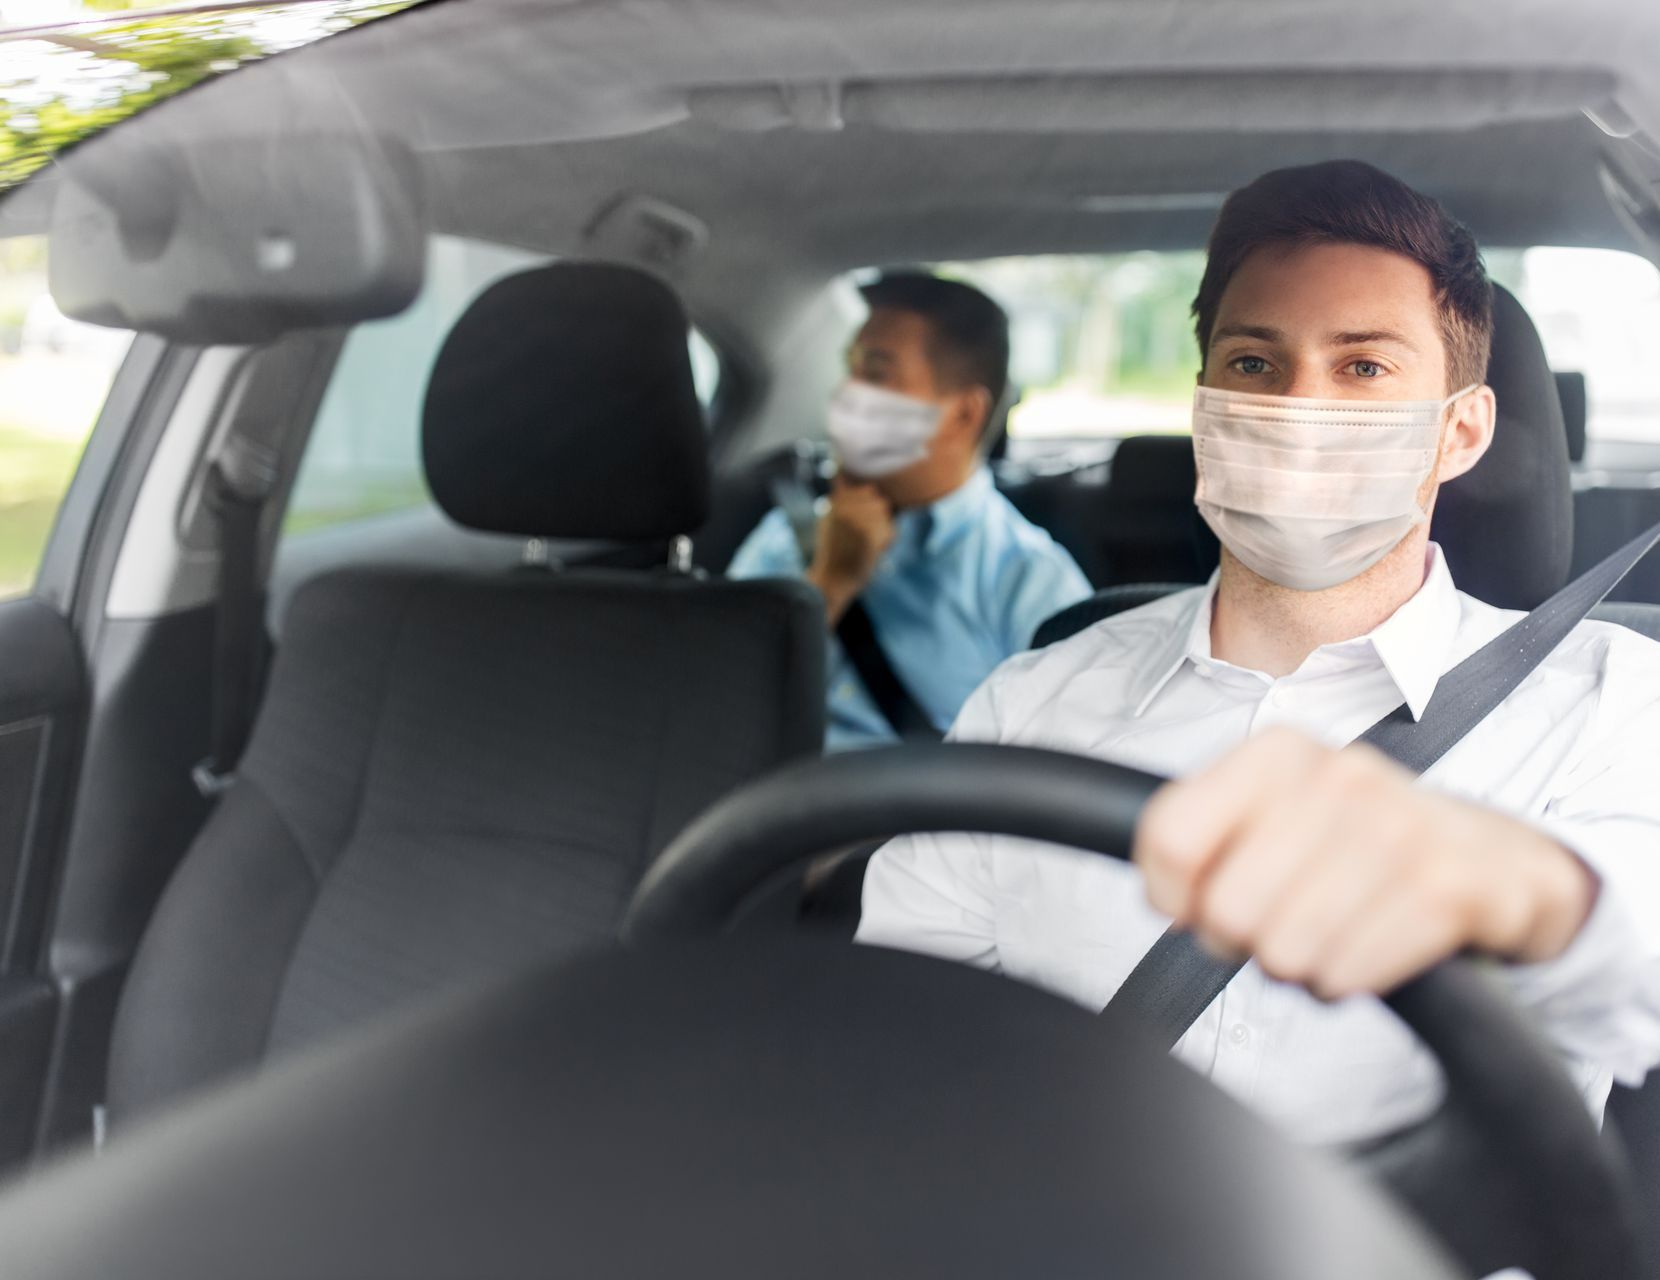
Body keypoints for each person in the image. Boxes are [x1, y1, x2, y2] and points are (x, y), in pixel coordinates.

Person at [857, 161, 1660, 1147]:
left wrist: (1515, 885)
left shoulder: (1611, 700)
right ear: (1203, 404)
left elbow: (1636, 966)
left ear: (1458, 431)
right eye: (1252, 364)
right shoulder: (1026, 704)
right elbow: (899, 1043)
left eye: (1362, 367)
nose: (1296, 409)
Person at [728, 272, 1091, 750]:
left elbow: (1063, 777)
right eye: (849, 370)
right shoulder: (783, 536)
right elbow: (711, 707)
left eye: (875, 374)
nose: (843, 396)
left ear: (962, 414)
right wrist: (828, 586)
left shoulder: (1031, 583)